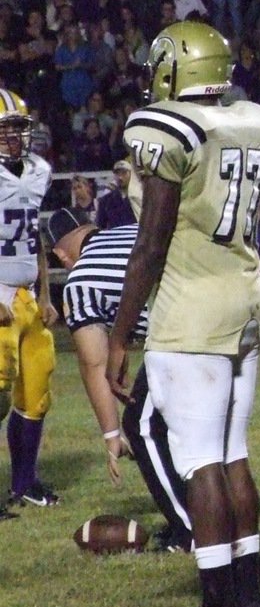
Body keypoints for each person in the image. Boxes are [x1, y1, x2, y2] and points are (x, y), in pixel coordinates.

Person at [107, 21, 260, 607]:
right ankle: (250, 594)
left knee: (201, 462)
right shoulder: (255, 123)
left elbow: (150, 244)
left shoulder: (166, 129)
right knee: (233, 454)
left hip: (191, 310)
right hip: (246, 298)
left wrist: (119, 333)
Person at [48, 210, 192, 551]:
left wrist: (112, 435)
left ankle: (192, 531)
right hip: (225, 314)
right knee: (191, 433)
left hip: (183, 333)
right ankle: (219, 518)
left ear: (61, 253)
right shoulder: (130, 230)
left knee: (142, 427)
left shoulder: (80, 278)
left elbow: (92, 362)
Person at [0, 89, 59, 514]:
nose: (13, 138)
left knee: (35, 393)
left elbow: (34, 235)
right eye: (4, 130)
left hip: (29, 296)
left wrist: (47, 293)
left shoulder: (39, 170)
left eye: (17, 128)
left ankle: (24, 484)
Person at [96, 158, 137, 228]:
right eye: (117, 174)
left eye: (124, 173)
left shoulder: (139, 198)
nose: (120, 177)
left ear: (131, 174)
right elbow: (100, 225)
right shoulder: (106, 201)